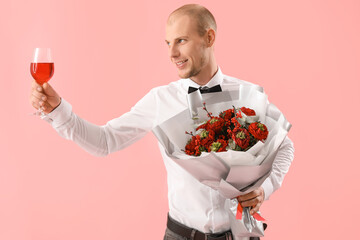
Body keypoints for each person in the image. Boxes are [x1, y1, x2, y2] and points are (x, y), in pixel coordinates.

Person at [29, 4, 294, 240]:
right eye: (168, 43)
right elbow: (105, 141)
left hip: (240, 235)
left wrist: (264, 189)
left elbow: (285, 147)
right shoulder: (160, 100)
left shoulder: (247, 95)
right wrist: (58, 110)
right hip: (180, 236)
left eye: (181, 40)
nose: (172, 53)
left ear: (209, 37)